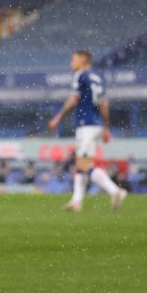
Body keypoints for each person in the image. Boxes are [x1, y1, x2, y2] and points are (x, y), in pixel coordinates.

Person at [48, 49, 127, 212]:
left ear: (83, 60)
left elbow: (74, 99)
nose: (72, 62)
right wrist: (106, 126)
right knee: (80, 163)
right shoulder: (97, 77)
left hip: (86, 124)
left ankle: (115, 191)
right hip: (96, 124)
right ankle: (76, 201)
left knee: (84, 164)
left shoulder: (81, 75)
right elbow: (104, 103)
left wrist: (58, 117)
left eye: (74, 59)